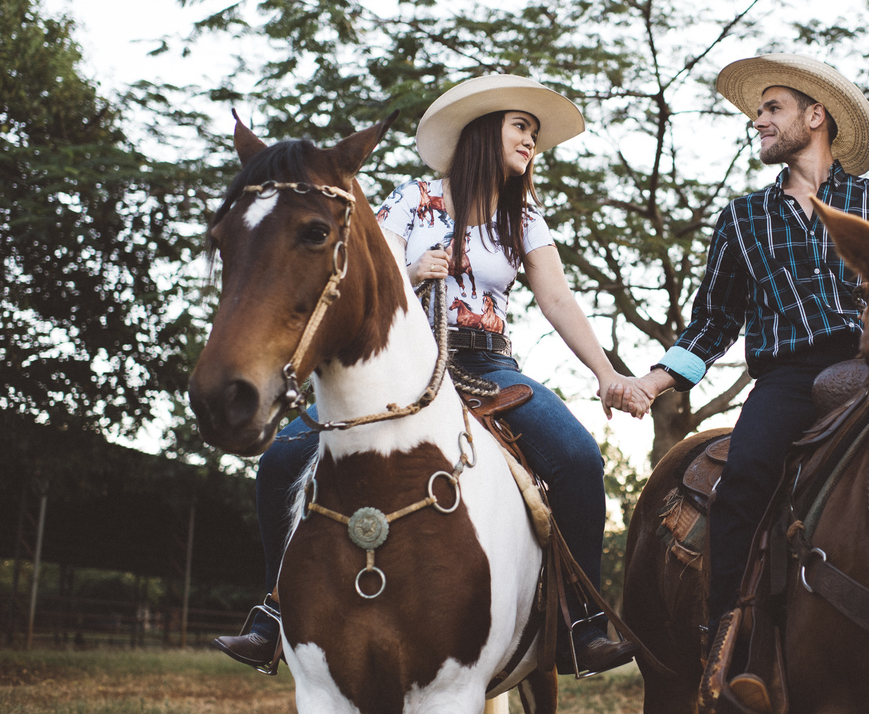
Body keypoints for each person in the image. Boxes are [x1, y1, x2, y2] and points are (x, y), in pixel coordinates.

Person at [215, 75, 648, 675]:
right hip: (404, 366)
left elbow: (557, 300)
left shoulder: (524, 216)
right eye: (521, 126)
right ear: (482, 130)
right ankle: (272, 612)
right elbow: (370, 281)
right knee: (282, 459)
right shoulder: (410, 198)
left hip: (490, 365)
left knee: (577, 458)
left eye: (534, 132)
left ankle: (580, 621)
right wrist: (415, 270)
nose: (532, 141)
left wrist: (606, 372)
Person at [607, 53, 869, 634]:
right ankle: (728, 639)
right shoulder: (743, 218)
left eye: (772, 109)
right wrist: (652, 381)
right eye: (758, 113)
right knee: (744, 478)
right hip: (790, 378)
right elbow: (715, 321)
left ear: (816, 116)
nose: (759, 121)